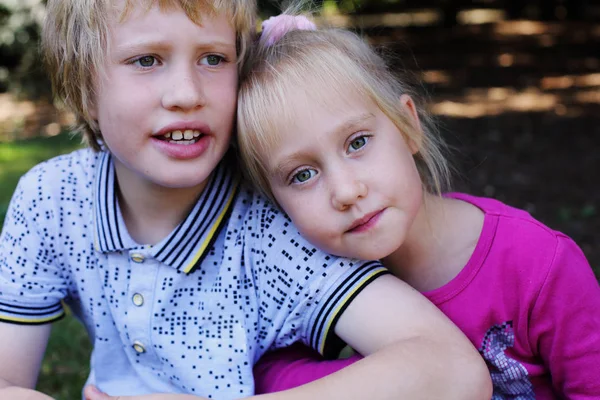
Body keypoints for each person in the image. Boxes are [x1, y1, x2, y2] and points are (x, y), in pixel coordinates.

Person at [0, 1, 492, 400]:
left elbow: (451, 369)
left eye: (213, 58)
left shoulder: (271, 225)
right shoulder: (52, 200)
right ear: (84, 89)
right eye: (146, 60)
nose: (186, 93)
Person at [236, 13, 600, 400]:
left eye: (357, 143)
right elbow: (268, 374)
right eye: (302, 175)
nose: (345, 191)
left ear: (408, 125)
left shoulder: (539, 264)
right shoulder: (312, 284)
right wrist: (391, 374)